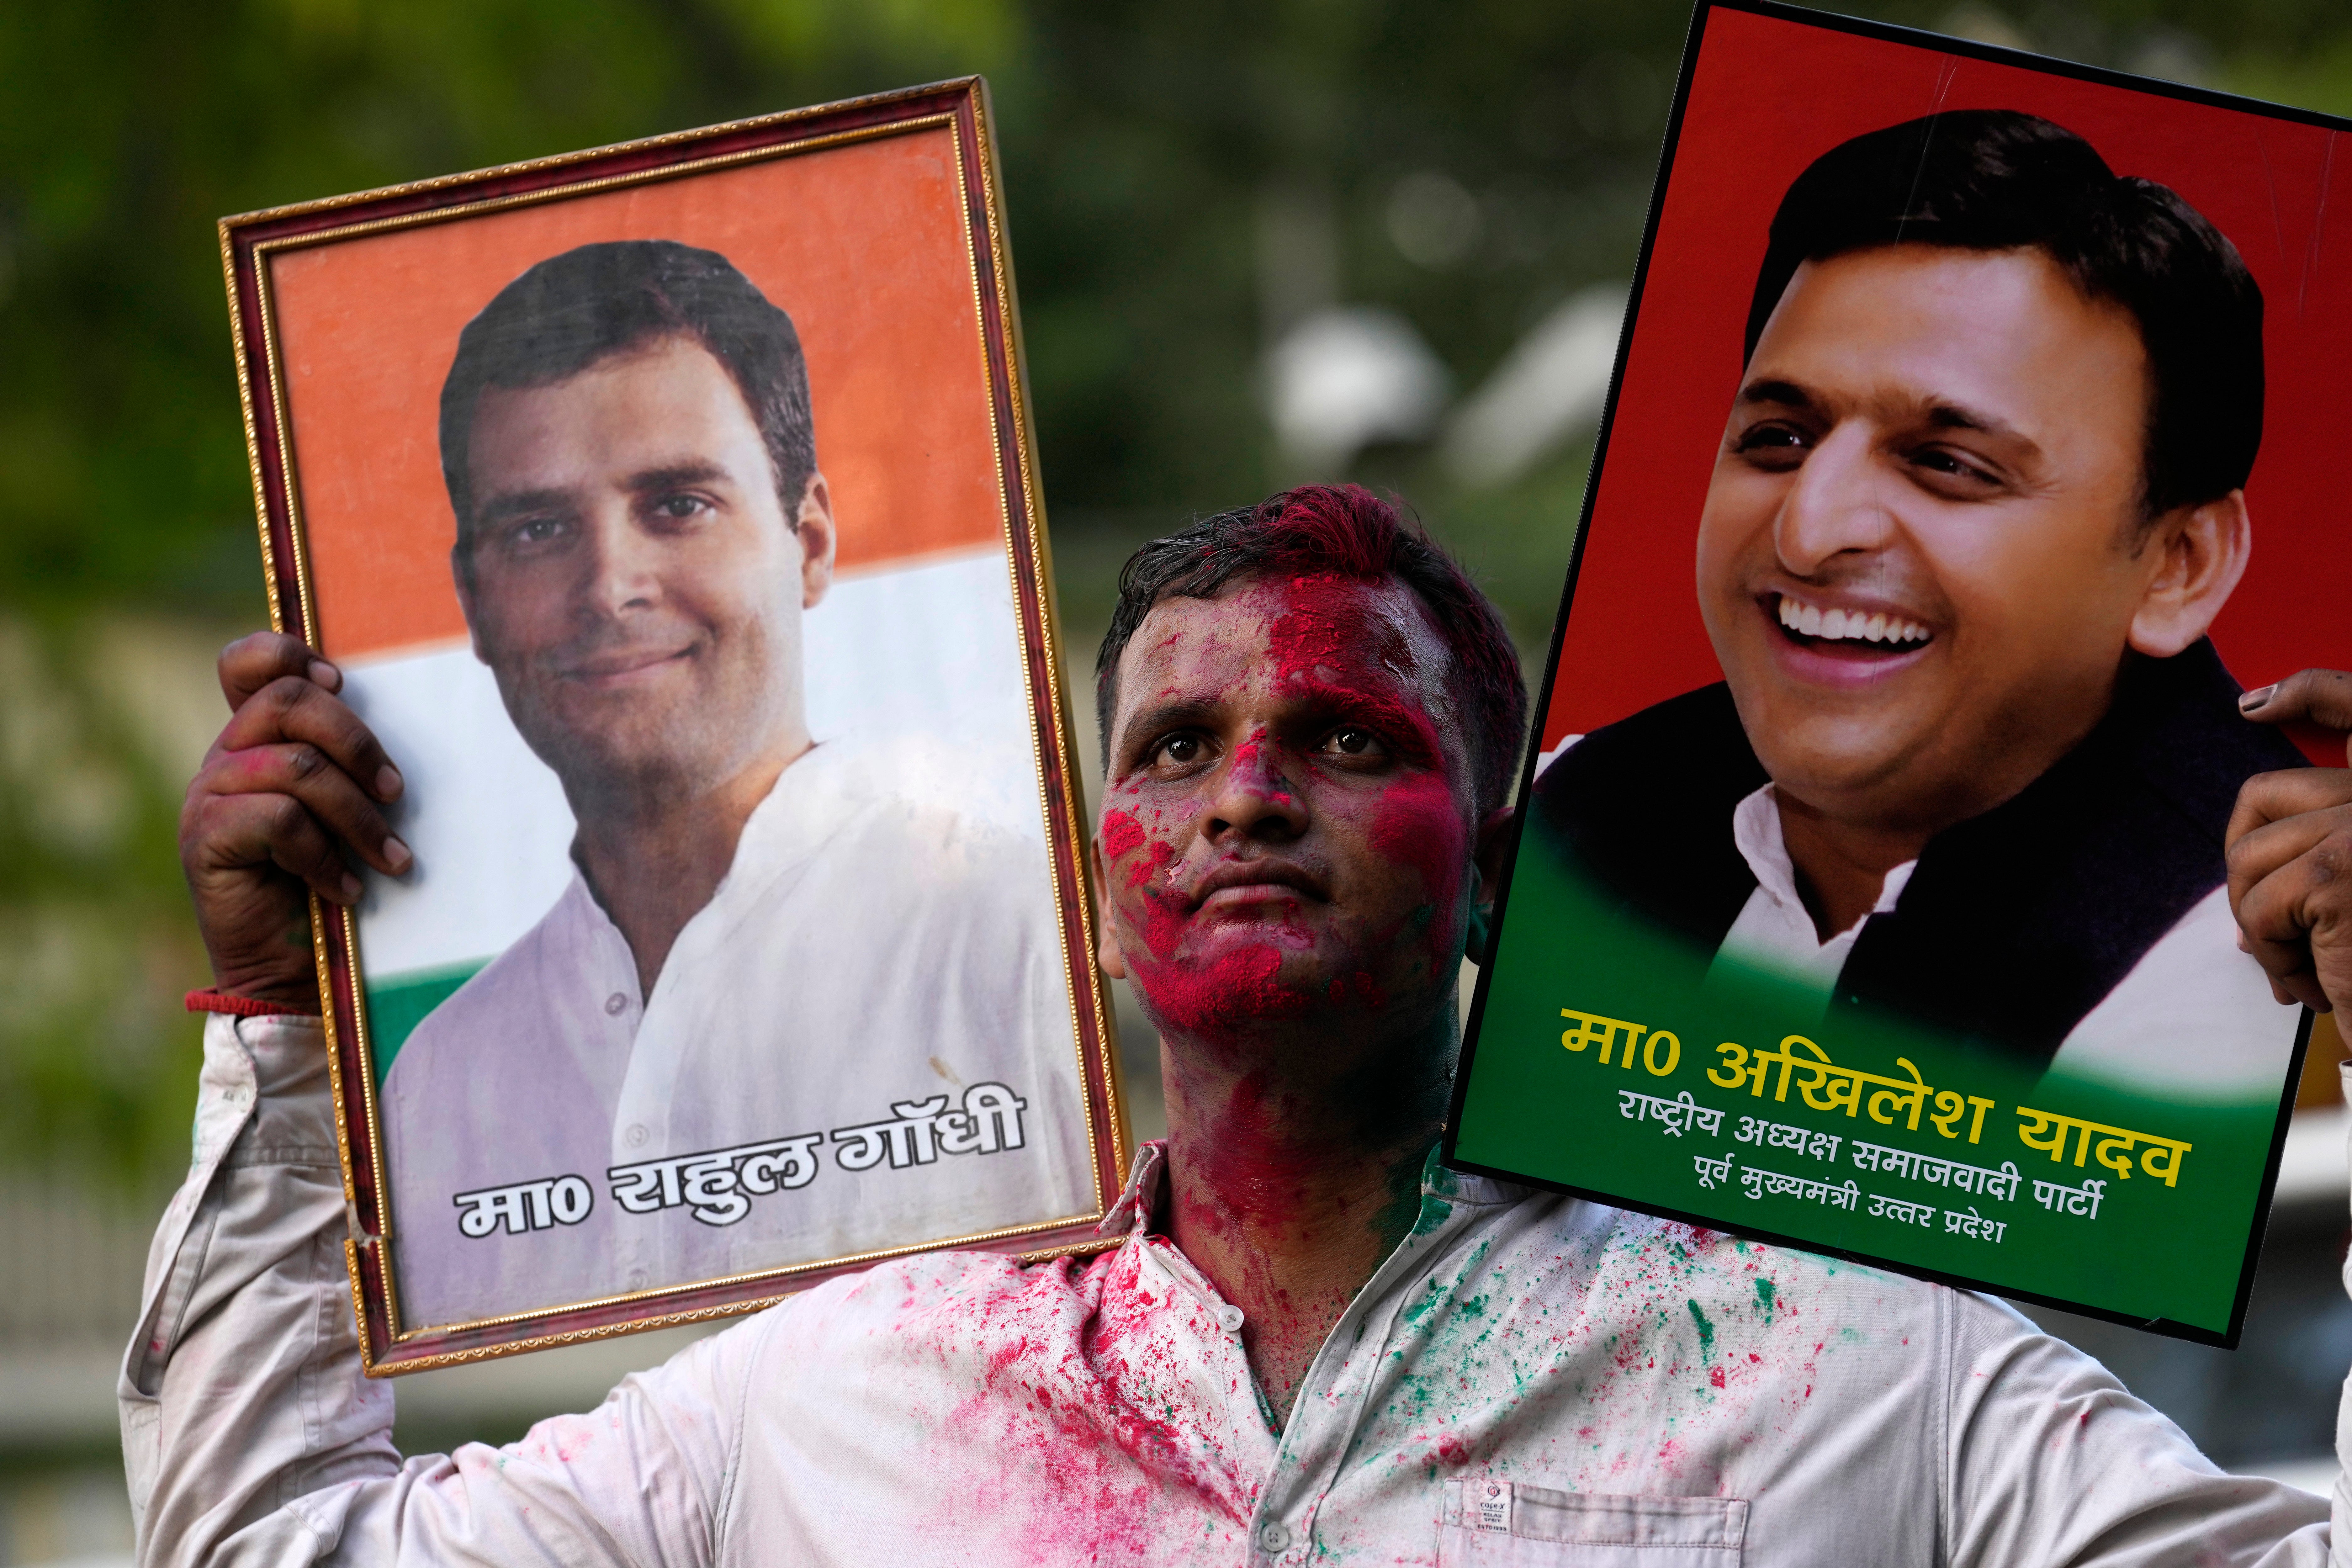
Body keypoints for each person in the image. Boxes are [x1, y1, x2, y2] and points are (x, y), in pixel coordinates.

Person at [148, 483, 2352, 1564]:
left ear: (1500, 863)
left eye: (1346, 735)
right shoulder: (840, 1393)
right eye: (1176, 747)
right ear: (1098, 882)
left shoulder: (1846, 1359)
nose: (1245, 799)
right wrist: (283, 1023)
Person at [351, 240, 1086, 1326]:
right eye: (539, 528)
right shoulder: (436, 1084)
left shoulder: (1026, 942)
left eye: (678, 504)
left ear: (812, 543)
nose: (610, 587)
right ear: (472, 595)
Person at [1531, 111, 2306, 1088]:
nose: (1806, 533)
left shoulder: (2248, 963)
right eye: (1779, 439)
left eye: (1947, 463)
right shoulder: (1582, 807)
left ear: (2176, 565)